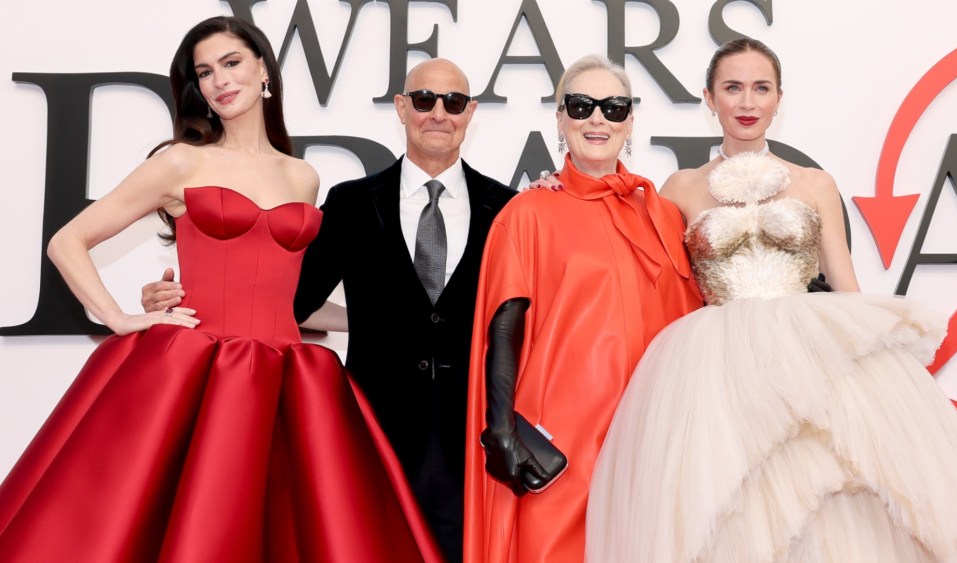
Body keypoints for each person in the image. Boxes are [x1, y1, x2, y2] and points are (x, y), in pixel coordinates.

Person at [0, 16, 440, 562]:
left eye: (231, 63)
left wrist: (370, 317)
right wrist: (121, 318)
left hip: (288, 380)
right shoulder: (182, 160)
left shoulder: (301, 177)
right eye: (204, 72)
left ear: (264, 73)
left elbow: (289, 299)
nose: (219, 81)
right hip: (195, 372)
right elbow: (68, 241)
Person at [585, 37, 957, 563]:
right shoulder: (679, 188)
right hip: (717, 371)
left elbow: (846, 286)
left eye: (761, 88)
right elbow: (641, 262)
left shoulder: (815, 184)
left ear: (780, 99)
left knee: (833, 498)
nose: (747, 102)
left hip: (807, 353)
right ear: (709, 98)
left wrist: (877, 372)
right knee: (731, 506)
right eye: (732, 88)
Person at [142, 56, 515, 562]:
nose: (438, 114)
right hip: (371, 426)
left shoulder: (509, 209)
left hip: (471, 433)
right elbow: (285, 300)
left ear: (470, 113)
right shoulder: (352, 202)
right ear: (402, 108)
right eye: (425, 100)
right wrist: (183, 296)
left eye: (453, 102)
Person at [463, 54, 705, 563]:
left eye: (614, 108)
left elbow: (697, 319)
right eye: (582, 105)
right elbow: (502, 325)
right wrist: (501, 428)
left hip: (647, 434)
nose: (598, 118)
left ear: (630, 122)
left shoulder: (662, 213)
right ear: (560, 118)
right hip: (562, 440)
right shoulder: (527, 212)